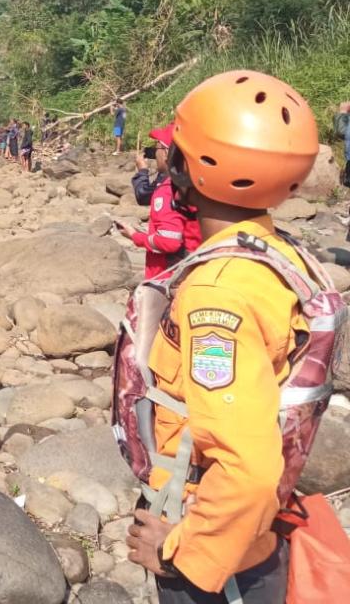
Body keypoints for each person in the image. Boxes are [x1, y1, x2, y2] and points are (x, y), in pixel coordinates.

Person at [123, 70, 320, 603]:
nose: (164, 159)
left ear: (191, 167)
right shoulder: (275, 252)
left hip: (220, 563)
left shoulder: (219, 293)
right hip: (248, 542)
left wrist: (179, 551)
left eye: (174, 150)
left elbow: (248, 469)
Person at [115, 124, 202, 279]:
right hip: (194, 271)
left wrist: (135, 236)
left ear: (168, 153)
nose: (155, 154)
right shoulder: (197, 185)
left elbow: (169, 241)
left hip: (168, 278)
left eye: (157, 149)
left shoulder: (168, 189)